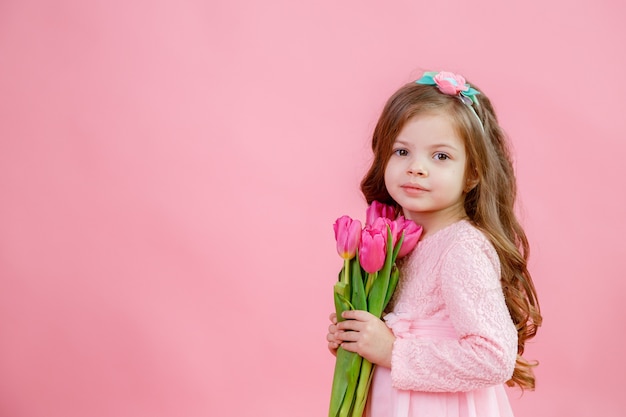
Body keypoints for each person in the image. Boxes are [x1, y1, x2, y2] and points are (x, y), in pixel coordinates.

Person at [326, 71, 542, 417]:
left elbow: (494, 358)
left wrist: (392, 350)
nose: (416, 168)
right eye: (402, 151)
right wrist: (358, 339)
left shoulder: (462, 249)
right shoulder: (397, 240)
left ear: (472, 173)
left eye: (440, 156)